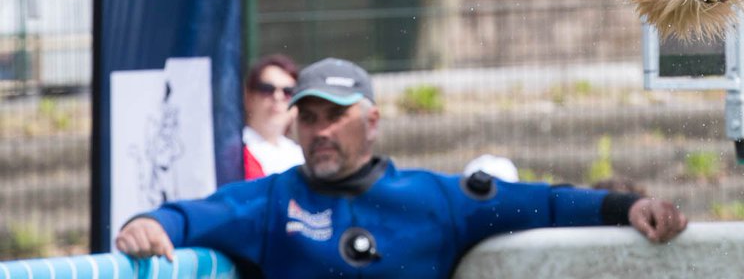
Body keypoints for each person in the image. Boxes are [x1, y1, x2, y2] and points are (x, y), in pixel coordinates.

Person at [115, 58, 688, 276]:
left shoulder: (435, 199)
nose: (320, 130)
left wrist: (627, 207)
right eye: (308, 118)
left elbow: (548, 202)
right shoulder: (270, 202)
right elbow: (190, 217)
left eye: (335, 117)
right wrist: (151, 224)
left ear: (372, 121)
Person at [241, 53, 304, 179]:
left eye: (288, 92)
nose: (278, 97)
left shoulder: (301, 156)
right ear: (248, 97)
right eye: (267, 89)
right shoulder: (232, 153)